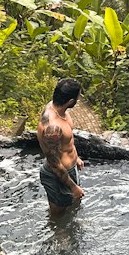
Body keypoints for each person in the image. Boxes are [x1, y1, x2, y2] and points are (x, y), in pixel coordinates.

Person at [36, 78, 85, 214]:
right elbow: (54, 163)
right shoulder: (52, 128)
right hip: (57, 176)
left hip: (69, 169)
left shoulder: (58, 108)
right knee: (58, 216)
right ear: (70, 101)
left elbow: (66, 143)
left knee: (72, 206)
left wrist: (76, 158)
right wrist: (73, 187)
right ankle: (58, 234)